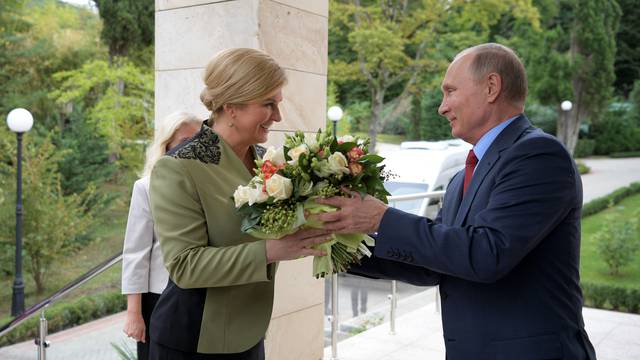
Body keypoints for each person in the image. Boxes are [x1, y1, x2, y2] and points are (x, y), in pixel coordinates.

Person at [316, 43, 596, 360]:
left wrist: (382, 218)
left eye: (450, 92)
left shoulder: (539, 155)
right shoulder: (461, 176)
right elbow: (436, 264)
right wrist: (340, 248)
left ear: (491, 87)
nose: (442, 107)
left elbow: (487, 253)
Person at [147, 48, 330, 360]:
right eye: (268, 104)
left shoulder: (264, 161)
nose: (278, 116)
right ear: (231, 107)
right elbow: (184, 266)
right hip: (195, 340)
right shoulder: (177, 167)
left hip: (249, 333)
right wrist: (273, 249)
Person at [121, 111, 201, 360]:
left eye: (197, 140)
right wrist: (134, 313)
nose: (192, 148)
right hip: (159, 299)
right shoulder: (146, 187)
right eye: (183, 141)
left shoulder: (209, 187)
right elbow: (136, 253)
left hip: (202, 295)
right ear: (166, 146)